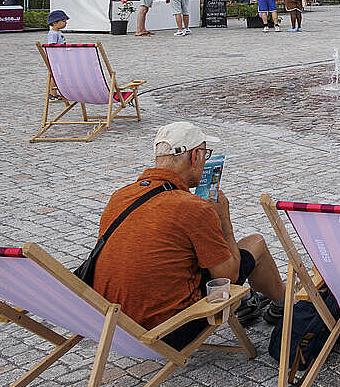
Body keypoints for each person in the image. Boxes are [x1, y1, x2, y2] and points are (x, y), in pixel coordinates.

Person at [94, 122, 285, 349]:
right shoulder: (192, 207)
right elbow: (229, 276)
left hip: (115, 325)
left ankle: (246, 302)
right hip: (169, 330)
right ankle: (286, 305)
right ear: (195, 157)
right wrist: (223, 219)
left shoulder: (121, 196)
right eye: (205, 154)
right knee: (256, 243)